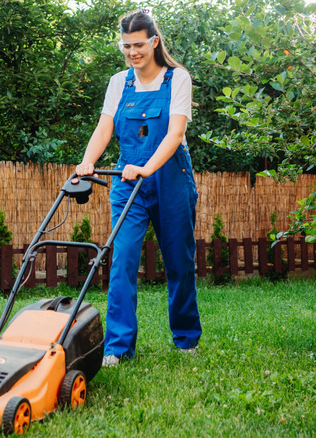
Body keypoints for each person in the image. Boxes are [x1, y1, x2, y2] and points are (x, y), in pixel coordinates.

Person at [75, 10, 201, 367]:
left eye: (139, 44)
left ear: (154, 42)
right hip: (128, 181)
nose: (133, 52)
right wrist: (86, 162)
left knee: (179, 262)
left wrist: (147, 167)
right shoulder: (119, 82)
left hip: (170, 179)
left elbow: (175, 134)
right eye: (127, 45)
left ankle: (186, 339)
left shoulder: (177, 78)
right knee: (123, 261)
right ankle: (117, 348)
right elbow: (104, 129)